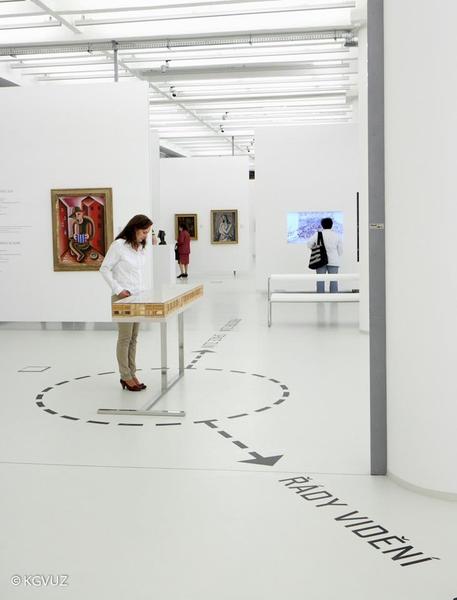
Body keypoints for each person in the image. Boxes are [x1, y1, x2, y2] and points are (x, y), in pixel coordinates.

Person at [100, 214, 153, 391]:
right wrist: (118, 290)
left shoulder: (139, 247)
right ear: (135, 228)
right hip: (123, 298)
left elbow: (137, 274)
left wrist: (144, 293)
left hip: (137, 297)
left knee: (133, 338)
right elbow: (104, 269)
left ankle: (132, 373)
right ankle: (125, 376)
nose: (146, 235)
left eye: (148, 232)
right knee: (125, 338)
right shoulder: (119, 246)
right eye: (144, 232)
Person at [307, 217, 343, 293]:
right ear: (332, 225)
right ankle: (334, 297)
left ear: (322, 225)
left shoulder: (318, 234)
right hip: (334, 261)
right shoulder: (337, 235)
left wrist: (314, 248)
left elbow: (309, 244)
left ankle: (320, 297)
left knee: (320, 280)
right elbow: (340, 251)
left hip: (320, 260)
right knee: (333, 281)